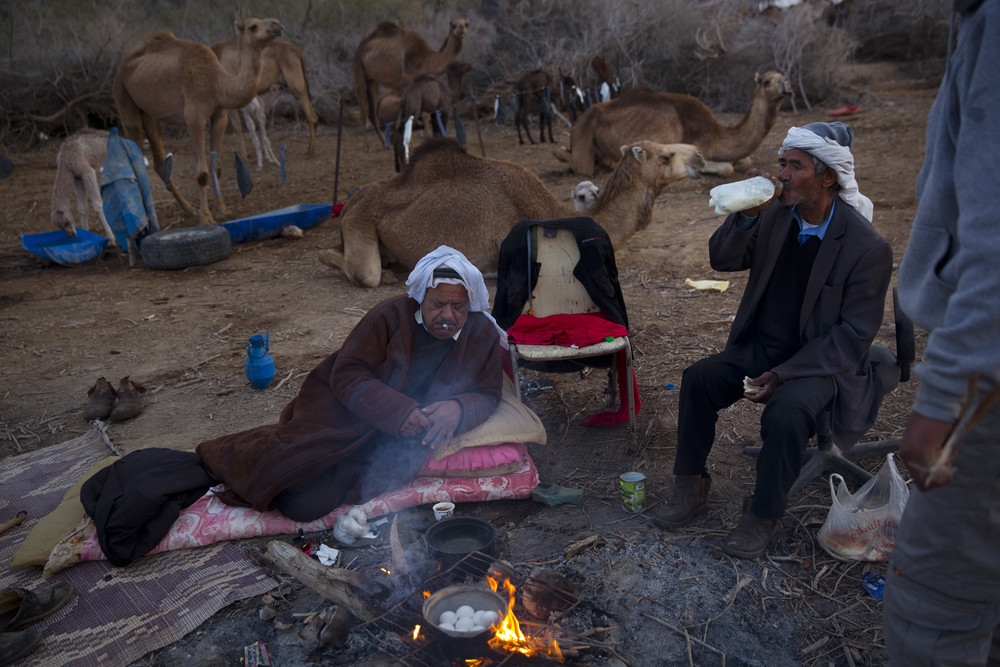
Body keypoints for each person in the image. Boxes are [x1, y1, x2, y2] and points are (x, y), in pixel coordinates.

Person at [650, 121, 893, 558]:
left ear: (828, 177)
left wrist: (783, 373)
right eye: (782, 163)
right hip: (762, 346)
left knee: (786, 413)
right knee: (699, 379)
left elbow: (853, 337)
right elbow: (721, 259)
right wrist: (745, 215)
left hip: (820, 363)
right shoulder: (775, 215)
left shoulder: (865, 246)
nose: (781, 174)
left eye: (794, 166)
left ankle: (762, 515)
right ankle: (690, 488)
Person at [196, 246, 506, 523]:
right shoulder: (389, 317)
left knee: (304, 505)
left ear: (470, 304)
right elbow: (346, 372)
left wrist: (459, 408)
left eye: (459, 307)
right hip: (347, 417)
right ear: (422, 297)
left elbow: (489, 392)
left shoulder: (482, 335)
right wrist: (398, 411)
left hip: (399, 441)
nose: (448, 316)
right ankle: (225, 453)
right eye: (438, 304)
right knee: (282, 469)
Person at [883, 1, 1000, 663]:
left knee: (934, 608)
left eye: (794, 164)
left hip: (987, 373)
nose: (782, 173)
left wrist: (941, 394)